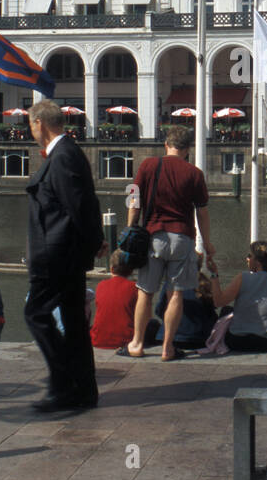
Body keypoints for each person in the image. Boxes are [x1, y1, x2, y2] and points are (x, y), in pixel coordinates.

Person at [25, 99, 104, 412]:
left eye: (30, 124)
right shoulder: (65, 153)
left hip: (56, 255)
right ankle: (83, 389)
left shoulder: (63, 157)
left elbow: (80, 206)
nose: (30, 130)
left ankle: (65, 381)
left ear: (40, 124)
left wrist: (92, 242)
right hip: (62, 253)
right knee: (72, 319)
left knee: (36, 314)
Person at [121, 125, 215, 361]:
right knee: (176, 294)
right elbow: (202, 212)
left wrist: (131, 227)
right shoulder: (195, 173)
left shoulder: (148, 165)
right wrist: (208, 244)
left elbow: (133, 198)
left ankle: (137, 344)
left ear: (166, 144)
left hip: (153, 236)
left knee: (145, 291)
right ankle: (167, 348)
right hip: (182, 238)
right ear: (187, 149)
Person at [92, 249, 149, 349]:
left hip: (97, 339)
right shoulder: (135, 287)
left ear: (111, 268)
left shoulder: (101, 285)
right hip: (127, 340)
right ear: (131, 270)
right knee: (153, 324)